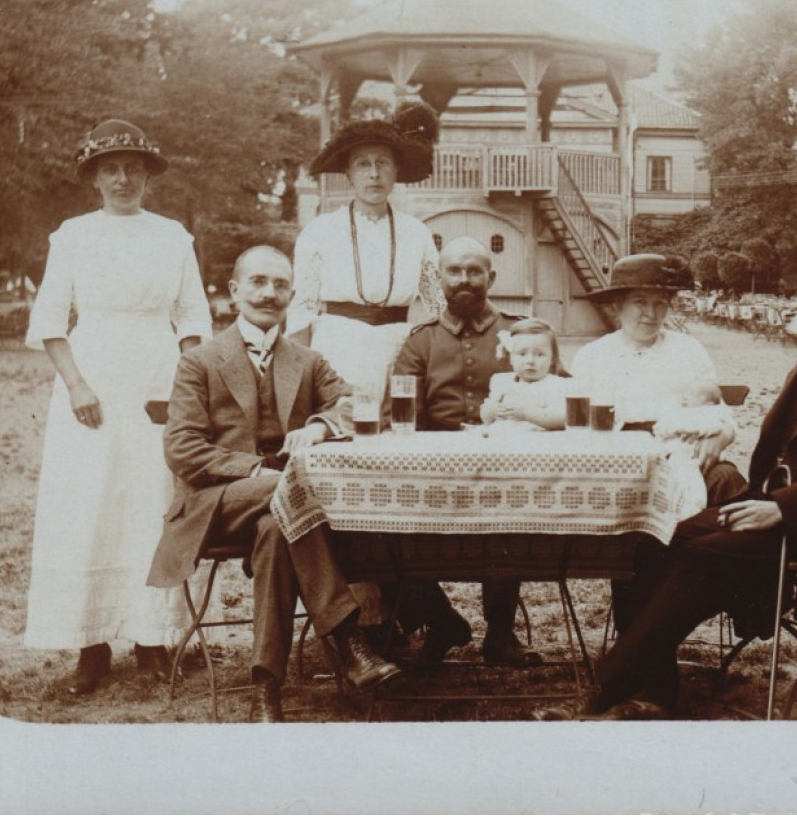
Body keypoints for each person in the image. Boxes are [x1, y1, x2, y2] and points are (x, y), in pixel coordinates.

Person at [535, 251, 797, 720]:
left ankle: (604, 689)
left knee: (697, 555)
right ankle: (654, 692)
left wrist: (778, 507)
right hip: (774, 507)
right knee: (651, 535)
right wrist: (763, 500)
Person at [147, 246, 401, 722]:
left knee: (276, 532)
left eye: (280, 285)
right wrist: (253, 471)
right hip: (217, 503)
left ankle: (266, 689)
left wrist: (322, 425)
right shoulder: (199, 362)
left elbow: (355, 403)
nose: (269, 293)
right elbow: (182, 450)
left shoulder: (307, 360)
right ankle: (349, 641)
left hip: (282, 513)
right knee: (288, 493)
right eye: (258, 282)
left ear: (292, 295)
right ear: (234, 291)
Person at [22, 121, 213, 695]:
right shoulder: (73, 236)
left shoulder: (173, 236)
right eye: (110, 169)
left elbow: (194, 317)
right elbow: (51, 320)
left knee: (153, 499)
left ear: (149, 175)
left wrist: (185, 380)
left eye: (133, 168)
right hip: (94, 379)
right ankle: (92, 645)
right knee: (91, 501)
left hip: (157, 376)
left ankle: (152, 639)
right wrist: (78, 385)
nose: (123, 178)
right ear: (95, 178)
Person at [389, 237, 542, 667]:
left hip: (509, 468)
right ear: (439, 279)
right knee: (383, 529)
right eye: (454, 271)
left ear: (491, 277)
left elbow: (556, 395)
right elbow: (402, 415)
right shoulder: (421, 342)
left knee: (507, 513)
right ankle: (441, 620)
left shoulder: (521, 333)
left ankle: (500, 634)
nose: (464, 280)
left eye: (475, 271)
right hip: (436, 470)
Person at [569, 253, 739, 499]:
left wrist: (722, 436)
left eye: (660, 303)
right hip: (617, 459)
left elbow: (719, 412)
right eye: (640, 302)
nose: (651, 313)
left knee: (726, 479)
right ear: (618, 305)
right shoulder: (592, 355)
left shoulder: (688, 349)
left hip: (682, 454)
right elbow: (577, 425)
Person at [288, 102, 445, 334]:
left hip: (399, 348)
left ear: (396, 170)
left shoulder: (416, 233)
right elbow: (302, 309)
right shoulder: (320, 231)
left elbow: (438, 307)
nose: (374, 174)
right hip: (335, 345)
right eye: (363, 164)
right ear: (348, 174)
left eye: (383, 163)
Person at [479, 318, 569, 430]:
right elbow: (485, 417)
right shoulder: (501, 381)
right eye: (522, 354)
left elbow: (563, 419)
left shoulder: (556, 385)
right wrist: (491, 412)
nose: (530, 361)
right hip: (503, 441)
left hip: (539, 442)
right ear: (510, 357)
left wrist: (526, 414)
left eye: (540, 355)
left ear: (552, 359)